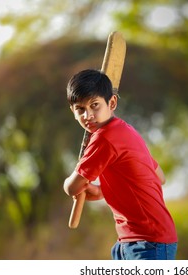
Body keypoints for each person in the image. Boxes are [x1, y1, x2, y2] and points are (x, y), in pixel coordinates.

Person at [63, 69, 178, 260]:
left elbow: (72, 187)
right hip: (133, 240)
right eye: (80, 109)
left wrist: (67, 183)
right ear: (73, 111)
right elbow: (159, 177)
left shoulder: (104, 138)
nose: (88, 115)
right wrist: (100, 191)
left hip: (148, 242)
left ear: (112, 102)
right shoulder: (126, 131)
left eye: (95, 105)